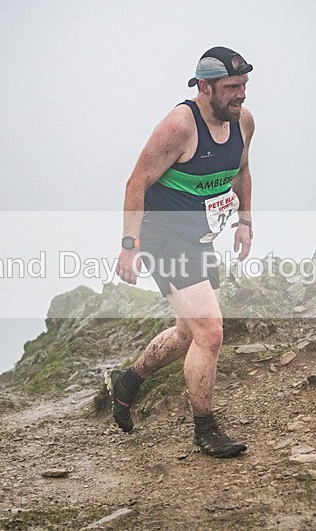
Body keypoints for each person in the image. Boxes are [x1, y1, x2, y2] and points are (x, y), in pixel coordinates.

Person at [107, 47, 255, 458]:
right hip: (163, 236)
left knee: (189, 331)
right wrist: (129, 247)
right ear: (204, 86)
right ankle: (205, 429)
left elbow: (241, 171)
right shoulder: (179, 126)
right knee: (211, 332)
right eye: (231, 87)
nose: (240, 95)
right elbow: (136, 183)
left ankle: (129, 381)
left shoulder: (244, 122)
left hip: (202, 237)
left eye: (243, 86)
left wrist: (245, 221)